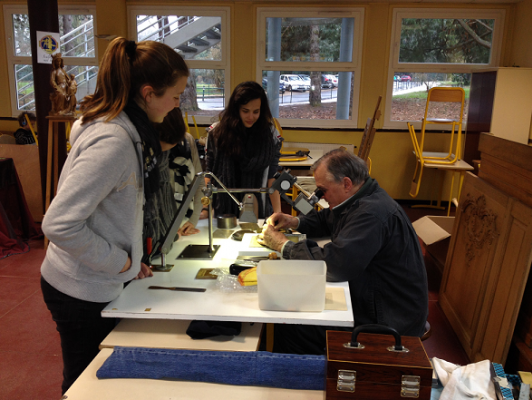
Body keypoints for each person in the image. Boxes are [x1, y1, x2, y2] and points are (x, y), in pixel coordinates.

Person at [40, 37, 189, 394]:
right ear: (149, 93)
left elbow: (116, 209)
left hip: (99, 277)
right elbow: (59, 223)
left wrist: (132, 259)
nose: (177, 104)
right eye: (176, 95)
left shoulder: (127, 128)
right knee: (86, 384)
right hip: (79, 288)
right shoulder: (115, 141)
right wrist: (119, 263)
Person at [260, 149, 428, 355]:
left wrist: (284, 246)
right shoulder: (361, 197)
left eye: (323, 190)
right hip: (376, 299)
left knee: (292, 325)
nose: (320, 197)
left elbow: (336, 265)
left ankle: (301, 381)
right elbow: (329, 219)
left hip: (388, 320)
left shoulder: (371, 214)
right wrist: (295, 221)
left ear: (346, 183)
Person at [205, 81, 282, 219]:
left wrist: (278, 213)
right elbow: (209, 175)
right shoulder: (217, 134)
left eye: (256, 111)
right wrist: (204, 209)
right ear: (236, 109)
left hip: (260, 211)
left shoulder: (270, 135)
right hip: (224, 213)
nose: (251, 117)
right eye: (245, 111)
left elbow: (272, 178)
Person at [143, 108, 204, 261]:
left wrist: (193, 220)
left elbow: (199, 182)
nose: (169, 149)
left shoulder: (186, 141)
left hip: (182, 225)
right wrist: (169, 231)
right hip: (158, 232)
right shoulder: (146, 151)